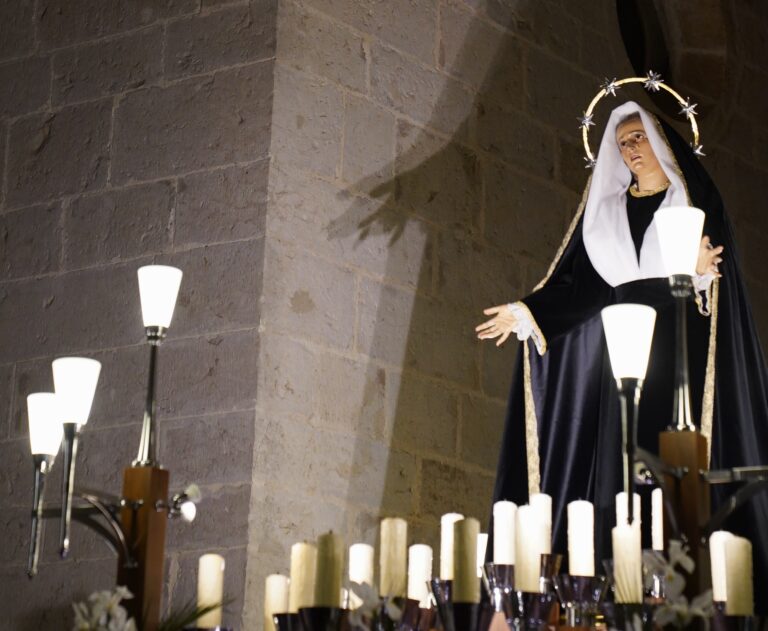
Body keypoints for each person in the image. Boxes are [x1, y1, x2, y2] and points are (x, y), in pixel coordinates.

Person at [476, 101, 768, 606]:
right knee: (619, 461)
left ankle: (673, 583)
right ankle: (616, 584)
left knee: (669, 460)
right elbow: (582, 289)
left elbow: (714, 284)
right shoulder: (604, 215)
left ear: (662, 142)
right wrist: (529, 312)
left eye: (639, 137)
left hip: (677, 357)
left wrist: (699, 273)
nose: (631, 148)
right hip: (619, 360)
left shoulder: (692, 204)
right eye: (623, 141)